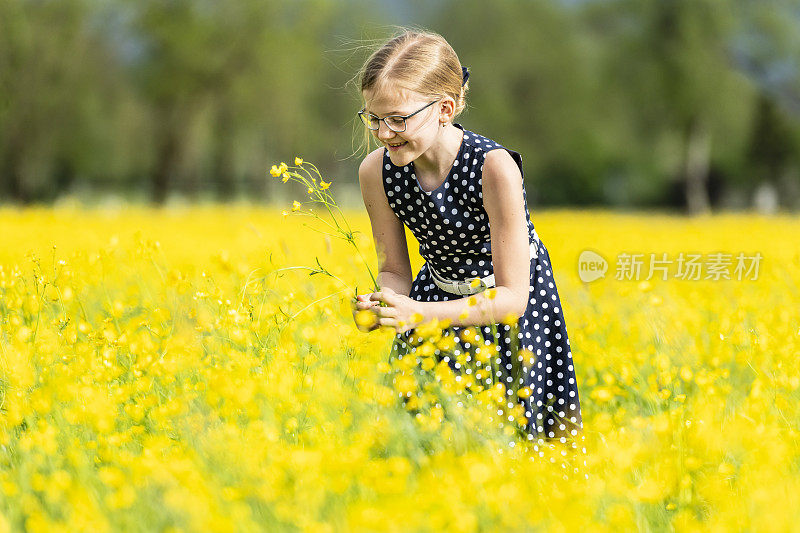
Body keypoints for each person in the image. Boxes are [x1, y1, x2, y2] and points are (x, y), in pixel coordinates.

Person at [351, 28, 584, 452]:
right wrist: (384, 303)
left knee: (516, 451)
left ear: (445, 108)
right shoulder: (375, 173)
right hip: (429, 302)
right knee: (425, 450)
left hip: (507, 318)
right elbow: (394, 270)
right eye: (373, 119)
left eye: (398, 119)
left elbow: (513, 296)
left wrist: (418, 314)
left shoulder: (494, 168)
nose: (384, 133)